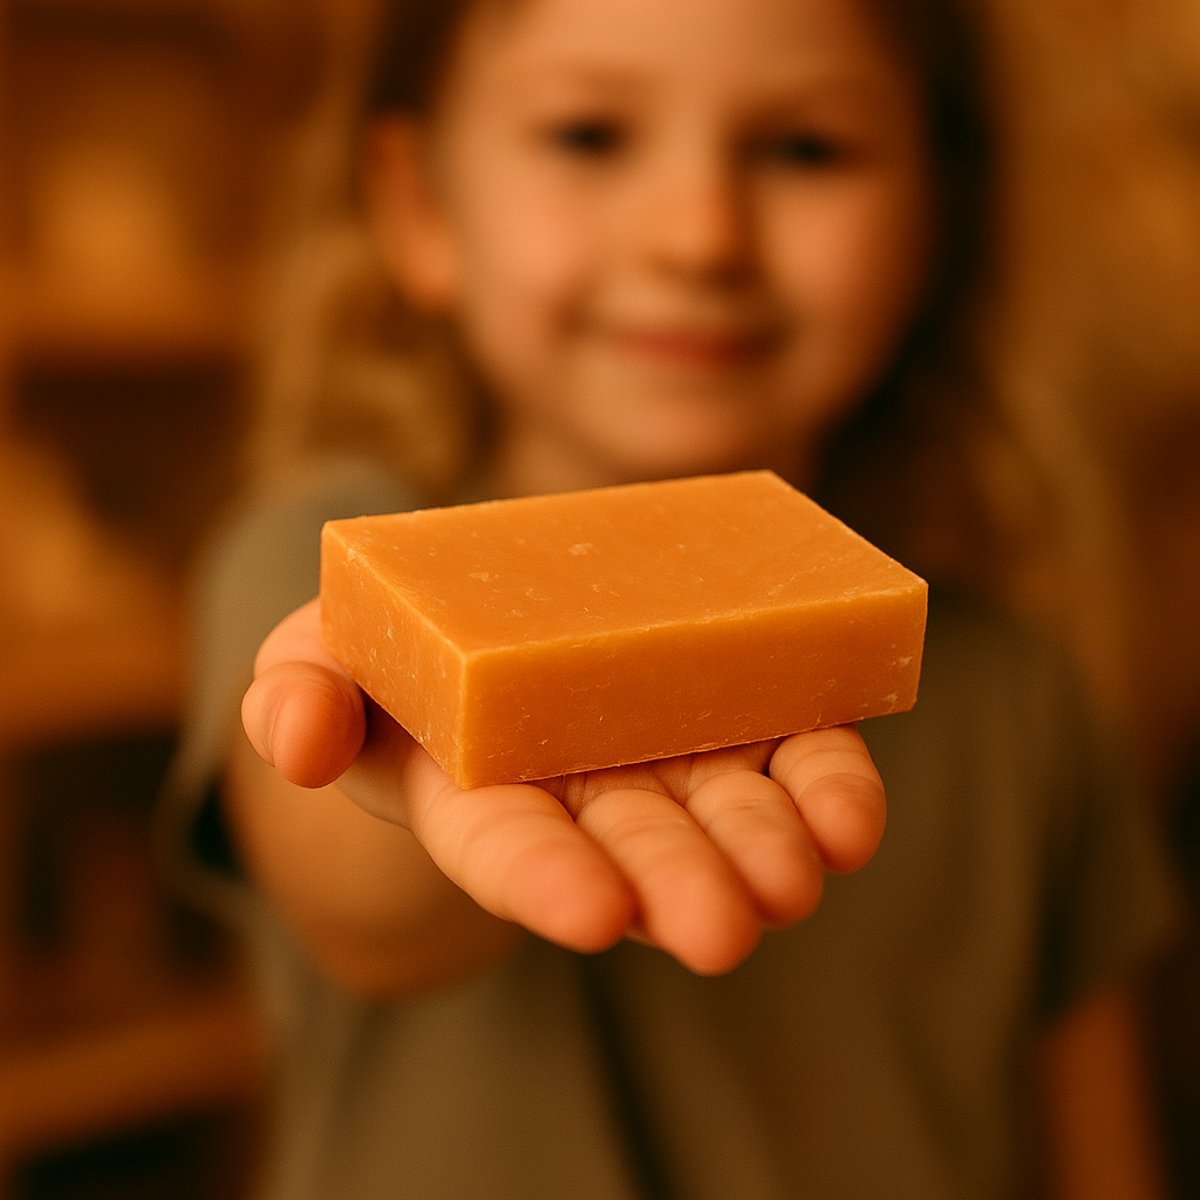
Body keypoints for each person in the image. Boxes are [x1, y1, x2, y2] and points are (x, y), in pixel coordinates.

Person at [161, 0, 1178, 1195]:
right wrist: (405, 734)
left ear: (938, 217)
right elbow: (350, 892)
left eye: (806, 148)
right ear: (421, 206)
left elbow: (1101, 1148)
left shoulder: (1026, 696)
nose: (700, 237)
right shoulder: (326, 563)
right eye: (589, 135)